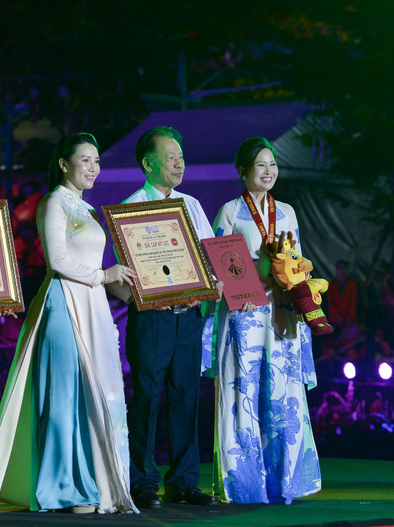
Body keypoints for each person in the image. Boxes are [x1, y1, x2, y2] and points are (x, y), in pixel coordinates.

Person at [0, 133, 137, 514]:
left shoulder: (85, 209)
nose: (94, 167)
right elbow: (57, 261)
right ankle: (64, 488)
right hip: (64, 304)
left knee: (92, 395)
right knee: (64, 397)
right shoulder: (54, 202)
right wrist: (105, 275)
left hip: (93, 305)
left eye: (97, 160)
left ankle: (91, 483)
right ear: (64, 164)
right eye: (85, 160)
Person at [207, 136, 321, 503]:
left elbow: (299, 263)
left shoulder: (287, 211)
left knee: (282, 394)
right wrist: (257, 271)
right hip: (244, 314)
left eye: (273, 164)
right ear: (243, 170)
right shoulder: (229, 211)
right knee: (243, 391)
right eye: (261, 165)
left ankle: (286, 483)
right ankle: (244, 487)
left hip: (281, 313)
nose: (269, 171)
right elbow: (217, 266)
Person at [122, 126, 219, 508]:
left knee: (185, 397)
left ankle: (183, 481)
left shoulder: (191, 205)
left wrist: (216, 281)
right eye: (170, 157)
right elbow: (130, 267)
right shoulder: (131, 207)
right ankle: (141, 481)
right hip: (151, 317)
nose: (179, 163)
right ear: (148, 163)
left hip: (188, 316)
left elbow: (209, 255)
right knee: (146, 397)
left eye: (181, 156)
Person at [326, 260, 357, 330]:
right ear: (336, 270)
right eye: (339, 268)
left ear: (347, 270)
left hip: (348, 319)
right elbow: (330, 303)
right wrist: (336, 316)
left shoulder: (352, 285)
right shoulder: (331, 285)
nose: (342, 270)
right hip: (334, 319)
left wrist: (349, 317)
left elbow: (353, 302)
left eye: (344, 268)